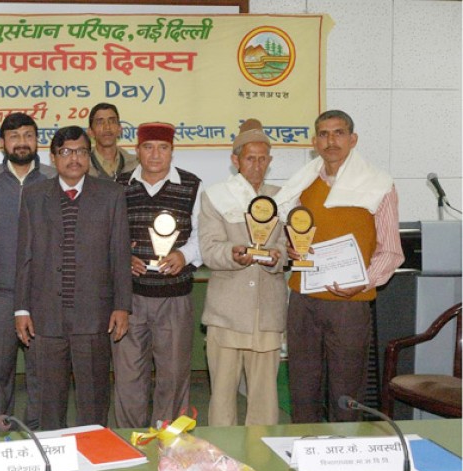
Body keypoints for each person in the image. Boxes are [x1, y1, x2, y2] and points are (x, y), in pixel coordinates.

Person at [274, 110, 403, 422]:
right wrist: (292, 249)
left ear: (353, 139)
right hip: (303, 299)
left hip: (350, 302)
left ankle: (344, 448)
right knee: (302, 388)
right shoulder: (301, 185)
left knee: (346, 392)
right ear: (314, 142)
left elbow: (390, 250)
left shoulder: (379, 185)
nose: (331, 141)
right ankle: (304, 447)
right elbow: (292, 234)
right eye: (323, 134)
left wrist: (364, 281)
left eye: (339, 133)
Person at [14, 125, 131, 429]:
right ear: (53, 157)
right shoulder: (34, 195)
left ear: (89, 156)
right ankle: (54, 455)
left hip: (94, 316)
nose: (74, 158)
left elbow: (120, 254)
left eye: (81, 151)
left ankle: (92, 454)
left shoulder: (111, 194)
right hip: (46, 316)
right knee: (49, 402)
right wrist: (21, 309)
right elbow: (24, 256)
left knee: (93, 401)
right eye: (66, 152)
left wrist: (122, 306)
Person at [112, 122, 203, 428]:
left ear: (172, 151)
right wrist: (123, 257)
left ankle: (169, 444)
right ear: (137, 150)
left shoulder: (192, 185)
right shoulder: (118, 185)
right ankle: (130, 441)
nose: (155, 154)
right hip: (129, 299)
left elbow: (203, 234)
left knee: (173, 376)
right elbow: (107, 233)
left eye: (163, 148)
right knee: (128, 378)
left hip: (174, 297)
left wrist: (184, 255)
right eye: (148, 147)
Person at [199, 119, 286, 427]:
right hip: (226, 312)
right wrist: (233, 254)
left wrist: (277, 257)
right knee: (222, 398)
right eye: (250, 158)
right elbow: (209, 249)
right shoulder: (215, 196)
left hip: (268, 312)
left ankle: (262, 453)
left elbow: (290, 246)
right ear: (235, 161)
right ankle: (222, 454)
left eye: (263, 159)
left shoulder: (283, 197)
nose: (257, 165)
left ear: (270, 161)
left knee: (265, 400)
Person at [0, 113, 55, 430]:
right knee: (0, 366)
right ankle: (3, 423)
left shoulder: (52, 179)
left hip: (42, 292)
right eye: (14, 136)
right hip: (0, 290)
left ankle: (37, 425)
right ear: (2, 142)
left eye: (28, 135)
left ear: (37, 140)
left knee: (40, 367)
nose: (22, 142)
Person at [86, 102, 138, 180]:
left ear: (120, 129)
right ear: (90, 132)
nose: (107, 127)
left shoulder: (136, 165)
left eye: (112, 121)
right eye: (100, 122)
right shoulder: (82, 166)